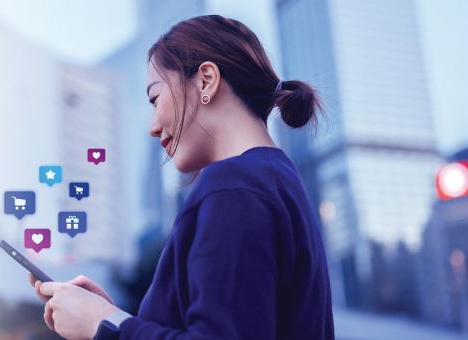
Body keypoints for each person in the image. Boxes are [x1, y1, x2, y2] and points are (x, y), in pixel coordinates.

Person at [29, 14, 335, 340]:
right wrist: (113, 316)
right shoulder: (275, 181)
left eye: (155, 98)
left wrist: (103, 325)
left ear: (205, 80)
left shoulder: (232, 186)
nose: (152, 126)